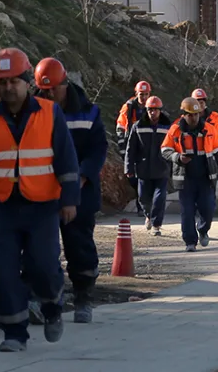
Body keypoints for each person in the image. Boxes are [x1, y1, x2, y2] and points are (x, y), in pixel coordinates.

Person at [0, 48, 80, 352]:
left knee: (43, 265)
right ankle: (14, 332)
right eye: (2, 82)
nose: (8, 88)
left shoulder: (50, 113)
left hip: (41, 206)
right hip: (2, 208)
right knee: (5, 271)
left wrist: (70, 199)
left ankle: (52, 305)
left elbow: (67, 160)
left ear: (28, 81)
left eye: (14, 81)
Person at [33, 57, 108, 324]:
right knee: (40, 247)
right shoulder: (32, 110)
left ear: (65, 83)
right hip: (43, 189)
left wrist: (83, 176)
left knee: (79, 246)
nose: (49, 94)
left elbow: (98, 148)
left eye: (53, 89)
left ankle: (83, 297)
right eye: (44, 90)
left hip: (80, 192)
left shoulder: (88, 112)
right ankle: (43, 300)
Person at [161, 98, 218, 252]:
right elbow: (165, 150)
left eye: (196, 114)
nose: (194, 118)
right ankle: (190, 241)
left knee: (208, 209)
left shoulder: (210, 130)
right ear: (183, 115)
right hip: (185, 179)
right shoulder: (175, 130)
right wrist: (177, 157)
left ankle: (203, 230)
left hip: (205, 178)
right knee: (187, 211)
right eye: (190, 115)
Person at [123, 96, 171, 236]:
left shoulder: (167, 126)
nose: (152, 112)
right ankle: (148, 215)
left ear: (160, 111)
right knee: (143, 198)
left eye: (155, 110)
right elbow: (130, 149)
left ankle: (156, 225)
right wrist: (128, 167)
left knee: (159, 198)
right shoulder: (138, 126)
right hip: (143, 169)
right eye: (150, 110)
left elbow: (174, 146)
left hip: (161, 169)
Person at [116, 81, 151, 217]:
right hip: (133, 146)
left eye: (146, 94)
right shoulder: (129, 108)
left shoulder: (152, 107)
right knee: (134, 178)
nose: (144, 97)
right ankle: (141, 204)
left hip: (148, 146)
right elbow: (120, 127)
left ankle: (144, 205)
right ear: (136, 94)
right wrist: (123, 149)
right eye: (141, 94)